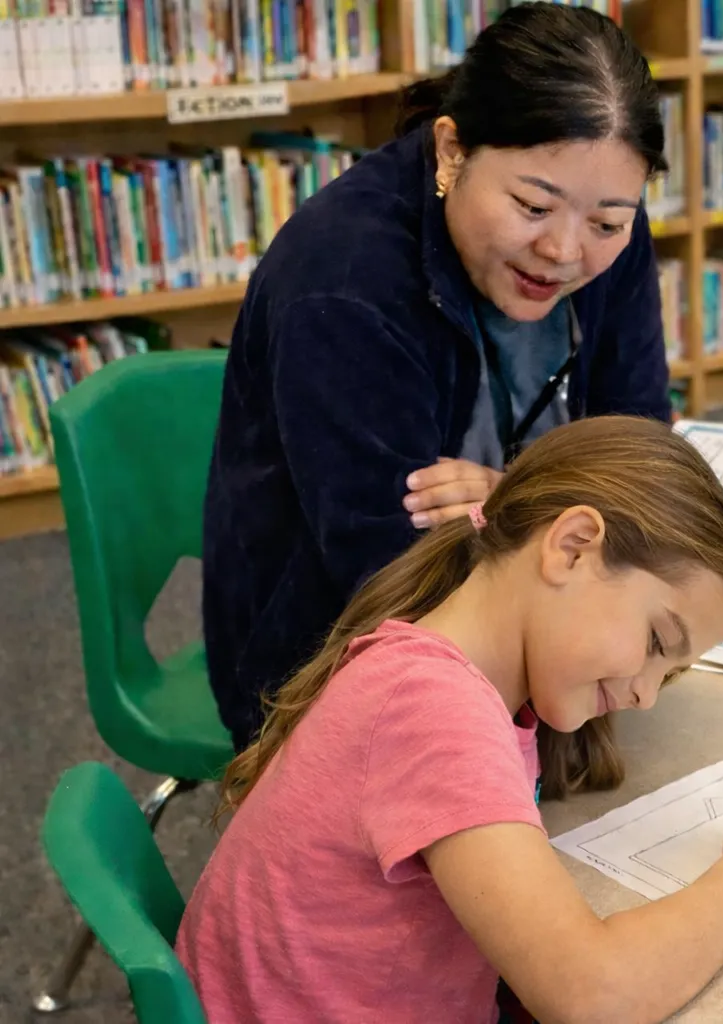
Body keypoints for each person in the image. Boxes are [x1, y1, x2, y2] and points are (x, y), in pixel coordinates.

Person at [177, 417, 723, 1023]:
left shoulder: (452, 673)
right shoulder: (431, 708)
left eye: (671, 674)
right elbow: (591, 993)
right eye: (657, 642)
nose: (647, 697)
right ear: (573, 547)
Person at [201, 2, 676, 766]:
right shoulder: (342, 282)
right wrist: (551, 516)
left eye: (608, 223)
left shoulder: (598, 214)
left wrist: (513, 502)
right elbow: (390, 576)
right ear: (452, 150)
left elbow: (643, 457)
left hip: (540, 622)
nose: (564, 250)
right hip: (340, 660)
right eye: (532, 206)